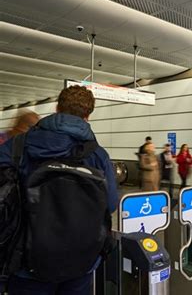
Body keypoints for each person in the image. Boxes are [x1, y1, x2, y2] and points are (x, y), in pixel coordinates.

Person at [0, 85, 118, 294]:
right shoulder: (98, 155)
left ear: (57, 108)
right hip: (81, 261)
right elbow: (110, 204)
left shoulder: (17, 147)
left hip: (27, 263)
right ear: (88, 115)